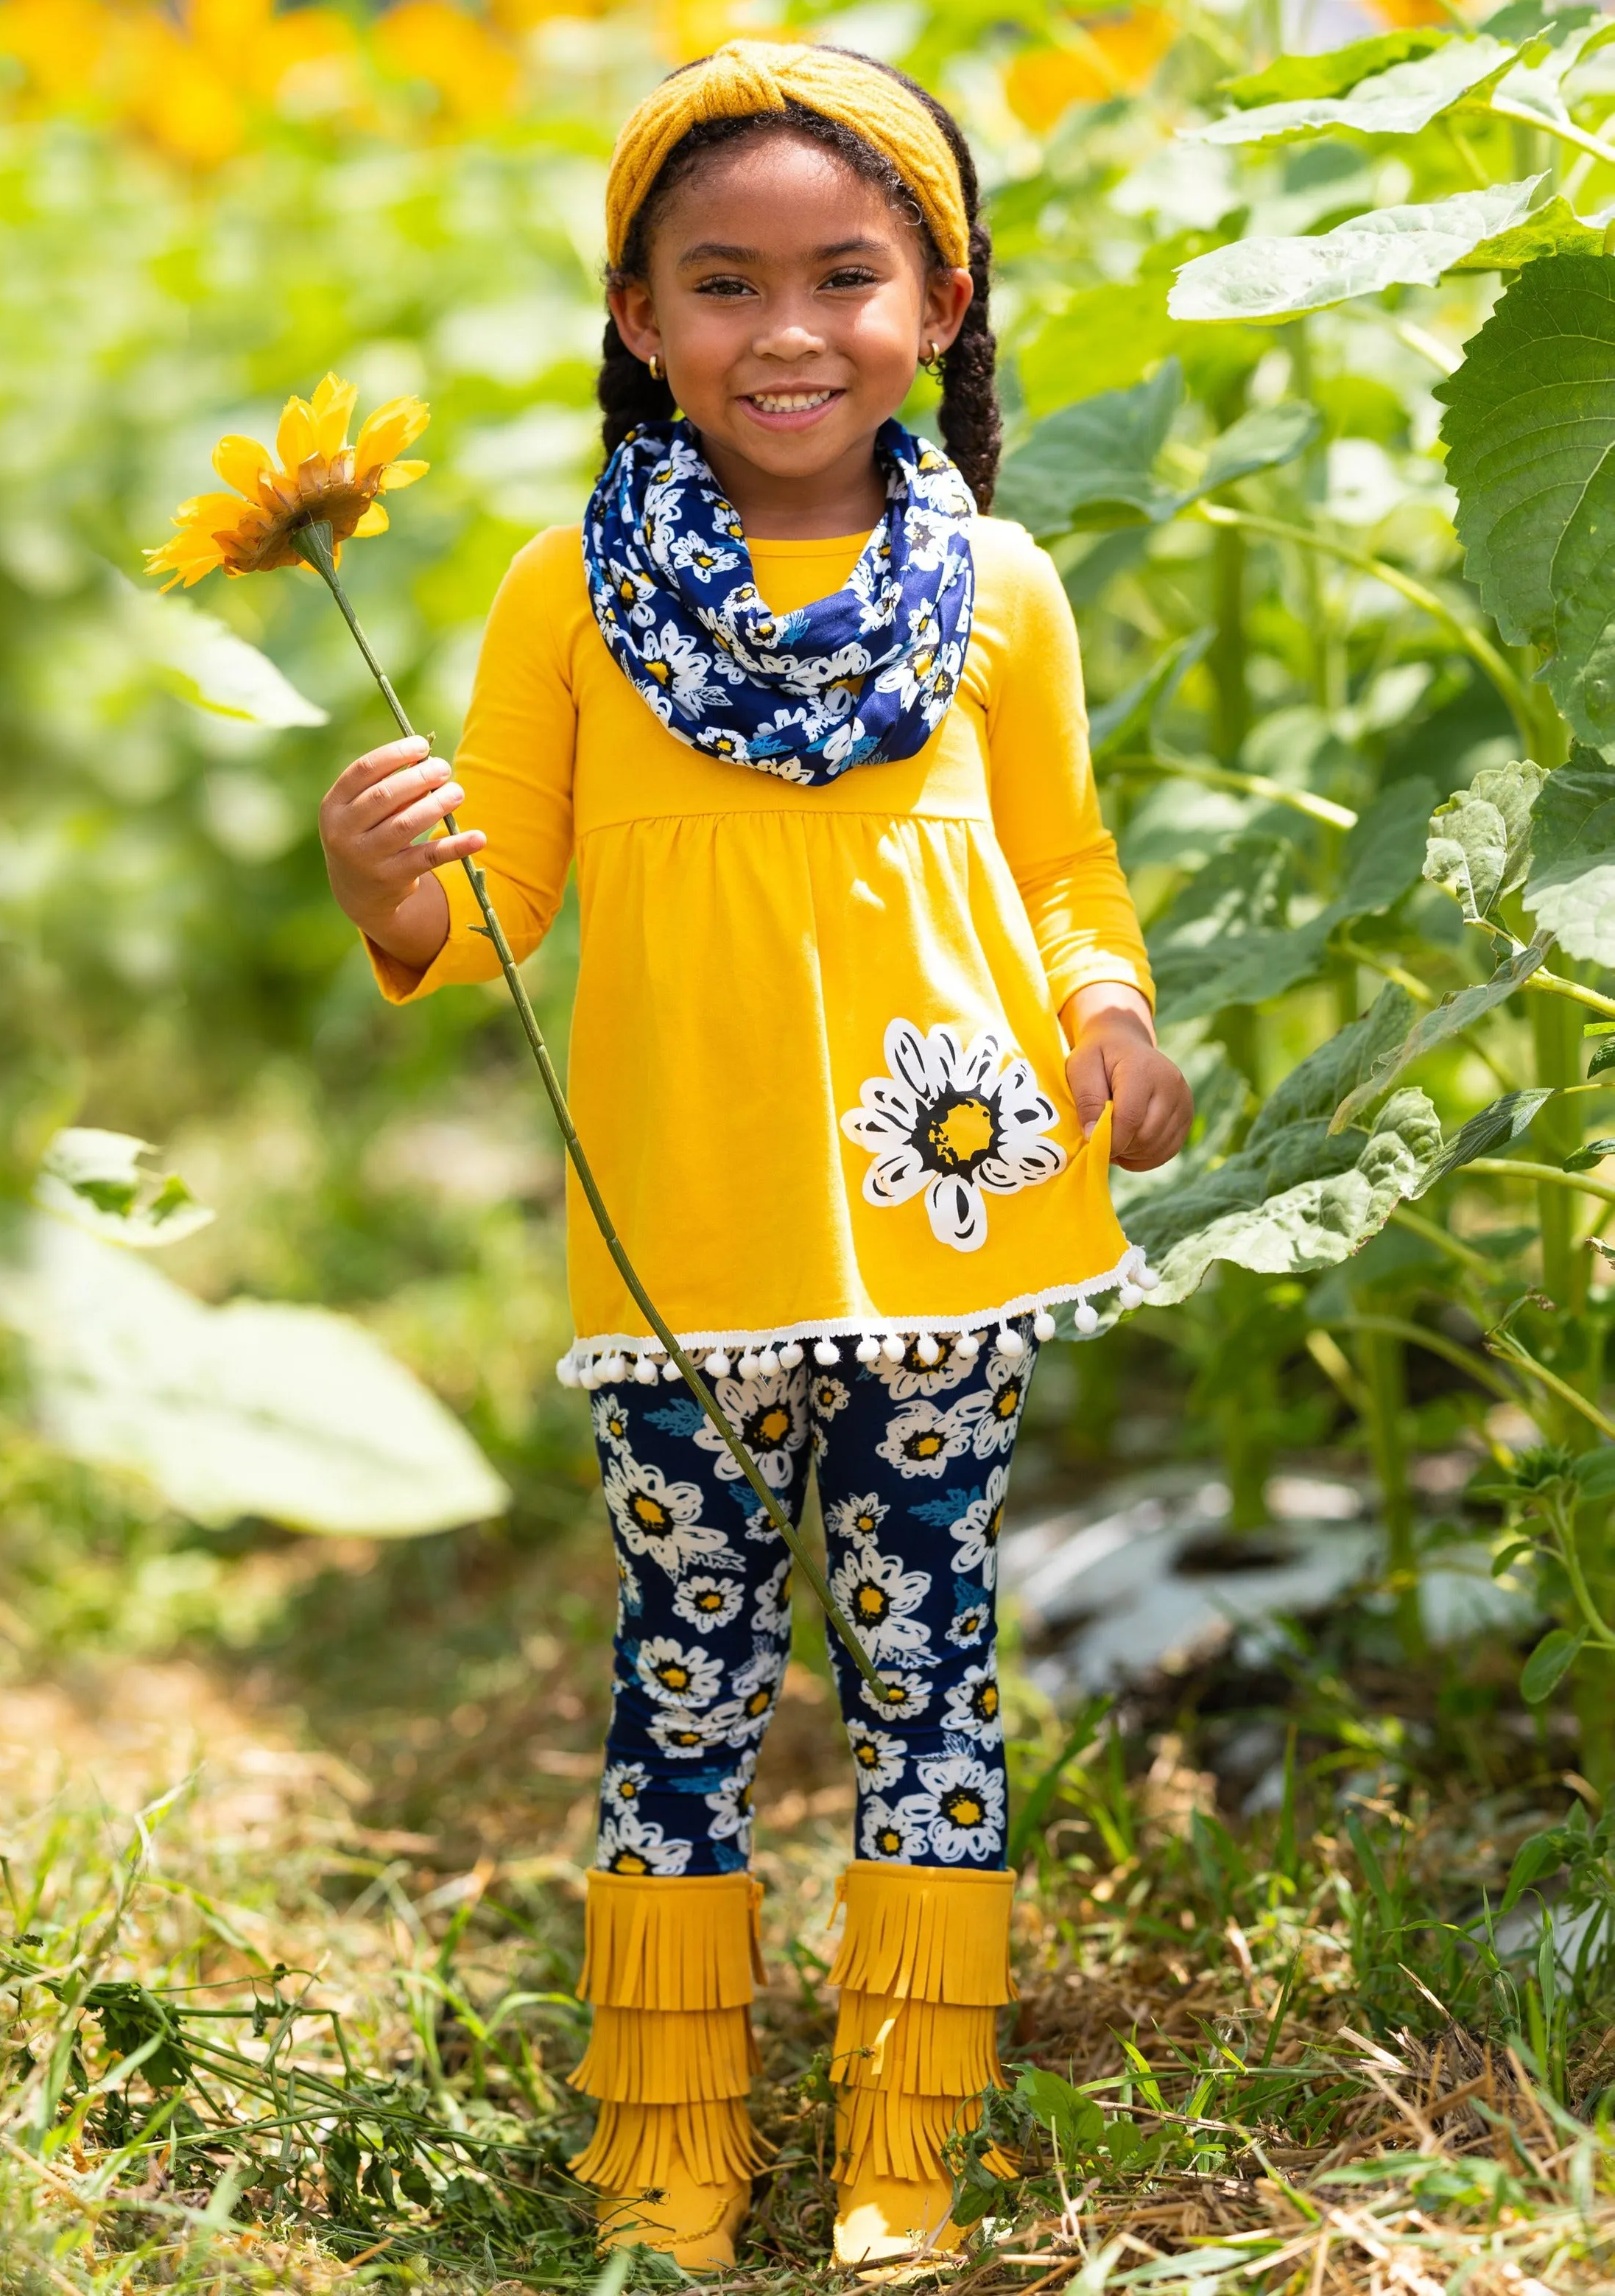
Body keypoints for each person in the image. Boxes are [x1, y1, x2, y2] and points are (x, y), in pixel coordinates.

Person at [318, 38, 1192, 2279]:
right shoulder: (568, 594)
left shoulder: (998, 588)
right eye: (722, 282)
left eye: (844, 276)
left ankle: (909, 2146)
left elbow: (1063, 862)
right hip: (687, 1248)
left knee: (928, 1676)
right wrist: (393, 888)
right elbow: (495, 906)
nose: (786, 330)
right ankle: (668, 2151)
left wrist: (1109, 1006)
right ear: (637, 319)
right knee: (686, 1675)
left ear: (943, 302)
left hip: (952, 1224)